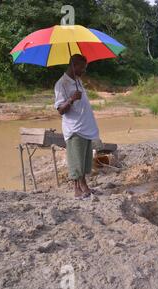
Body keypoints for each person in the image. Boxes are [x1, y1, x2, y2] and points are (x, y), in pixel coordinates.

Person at [54, 54, 99, 200]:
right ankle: (76, 189)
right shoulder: (62, 84)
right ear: (74, 65)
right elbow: (60, 110)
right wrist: (72, 99)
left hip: (85, 126)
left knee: (85, 160)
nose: (84, 70)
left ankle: (84, 184)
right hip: (74, 128)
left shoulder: (78, 81)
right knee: (76, 160)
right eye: (82, 67)